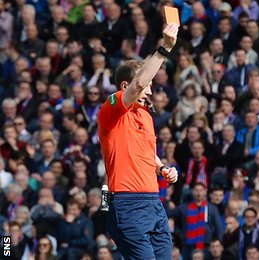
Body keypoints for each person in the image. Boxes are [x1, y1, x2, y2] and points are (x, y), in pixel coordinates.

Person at [97, 24, 180, 259]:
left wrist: (162, 168)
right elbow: (140, 84)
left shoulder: (145, 115)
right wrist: (164, 48)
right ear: (125, 86)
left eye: (152, 87)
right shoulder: (110, 109)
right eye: (148, 87)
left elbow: (146, 152)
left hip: (153, 201)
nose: (150, 92)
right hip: (126, 203)